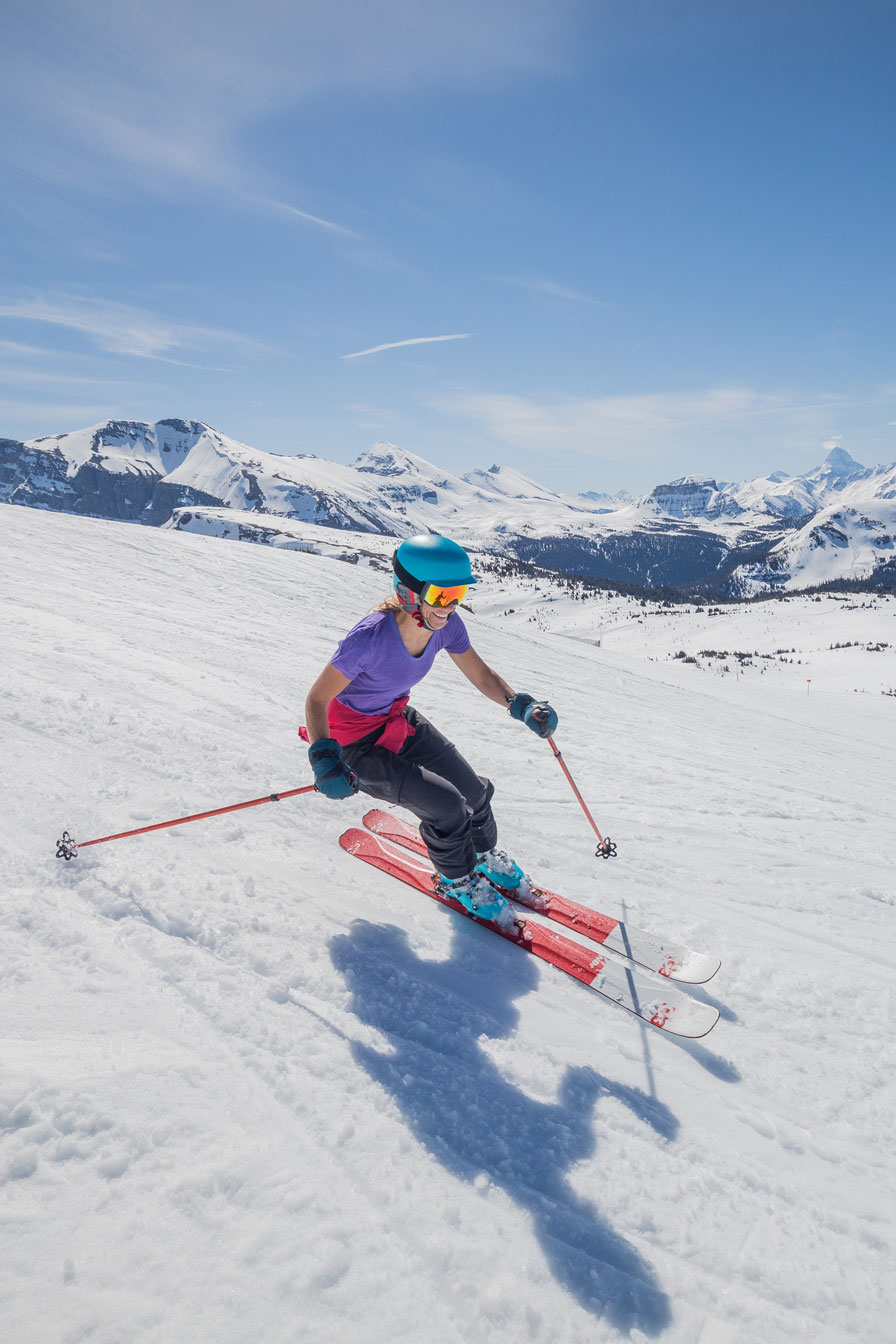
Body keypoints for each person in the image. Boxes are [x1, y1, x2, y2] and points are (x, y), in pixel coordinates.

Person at [304, 533, 558, 931]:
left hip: (397, 720)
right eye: (441, 596)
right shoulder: (368, 638)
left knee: (474, 793)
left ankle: (483, 854)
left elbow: (481, 674)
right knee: (447, 807)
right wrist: (324, 759)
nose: (450, 606)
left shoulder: (447, 627)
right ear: (408, 593)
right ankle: (457, 879)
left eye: (458, 594)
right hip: (353, 745)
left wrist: (520, 704)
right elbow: (317, 700)